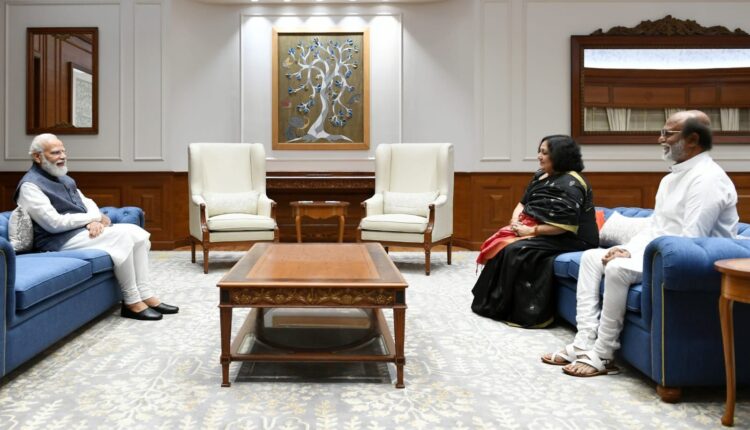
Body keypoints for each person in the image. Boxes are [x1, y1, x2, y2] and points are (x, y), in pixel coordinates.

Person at [542, 110, 739, 377]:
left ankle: (604, 353)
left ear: (692, 139)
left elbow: (691, 241)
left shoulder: (708, 179)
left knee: (617, 268)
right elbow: (656, 229)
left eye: (667, 133)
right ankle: (583, 343)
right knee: (591, 257)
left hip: (693, 263)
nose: (660, 139)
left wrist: (631, 256)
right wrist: (626, 249)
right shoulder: (670, 179)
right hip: (662, 254)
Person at [14, 133, 178, 321]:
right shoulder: (29, 186)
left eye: (64, 151)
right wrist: (92, 218)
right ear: (37, 156)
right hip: (55, 241)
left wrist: (94, 220)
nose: (63, 156)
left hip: (78, 233)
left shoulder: (63, 178)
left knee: (136, 232)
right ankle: (132, 301)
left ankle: (146, 294)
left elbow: (88, 203)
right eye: (56, 153)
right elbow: (53, 223)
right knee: (122, 237)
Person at [471, 135, 599, 328]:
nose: (539, 156)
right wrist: (515, 222)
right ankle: (492, 303)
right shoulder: (540, 175)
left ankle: (521, 312)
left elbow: (564, 226)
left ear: (559, 156)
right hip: (542, 230)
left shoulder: (572, 183)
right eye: (539, 151)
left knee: (516, 250)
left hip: (572, 238)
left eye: (544, 153)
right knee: (500, 244)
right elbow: (522, 203)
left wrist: (531, 231)